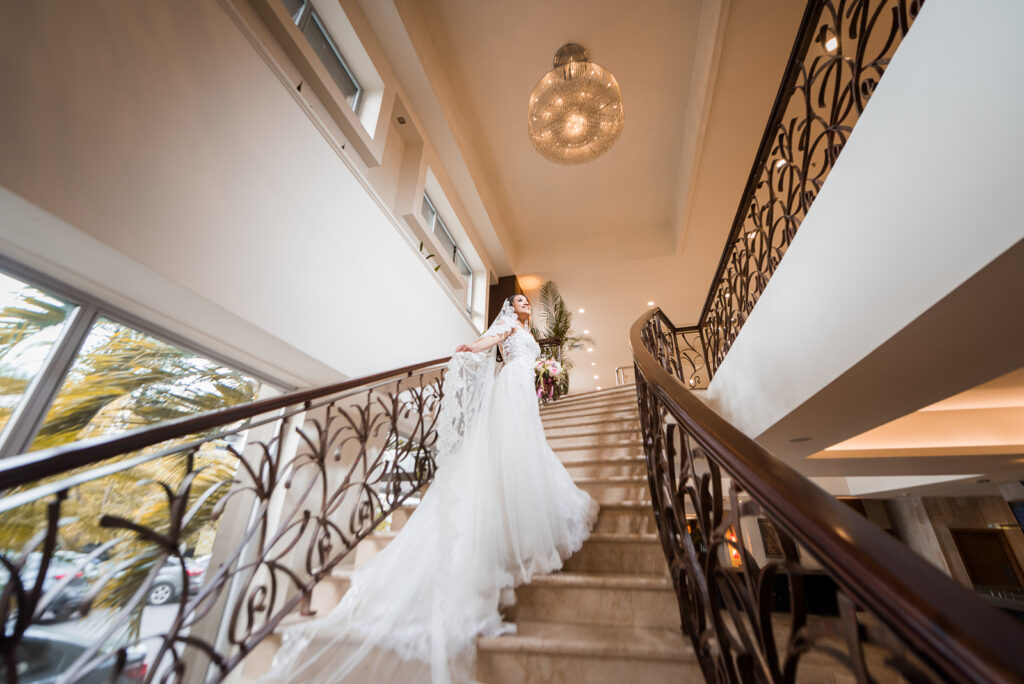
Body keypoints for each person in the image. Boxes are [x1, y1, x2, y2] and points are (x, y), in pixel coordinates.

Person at [263, 294, 599, 684]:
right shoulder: (508, 326)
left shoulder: (528, 332)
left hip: (524, 388)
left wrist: (541, 372)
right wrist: (470, 347)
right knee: (510, 447)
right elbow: (490, 342)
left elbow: (526, 356)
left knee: (527, 445)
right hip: (510, 387)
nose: (527, 304)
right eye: (521, 300)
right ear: (511, 308)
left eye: (527, 302)